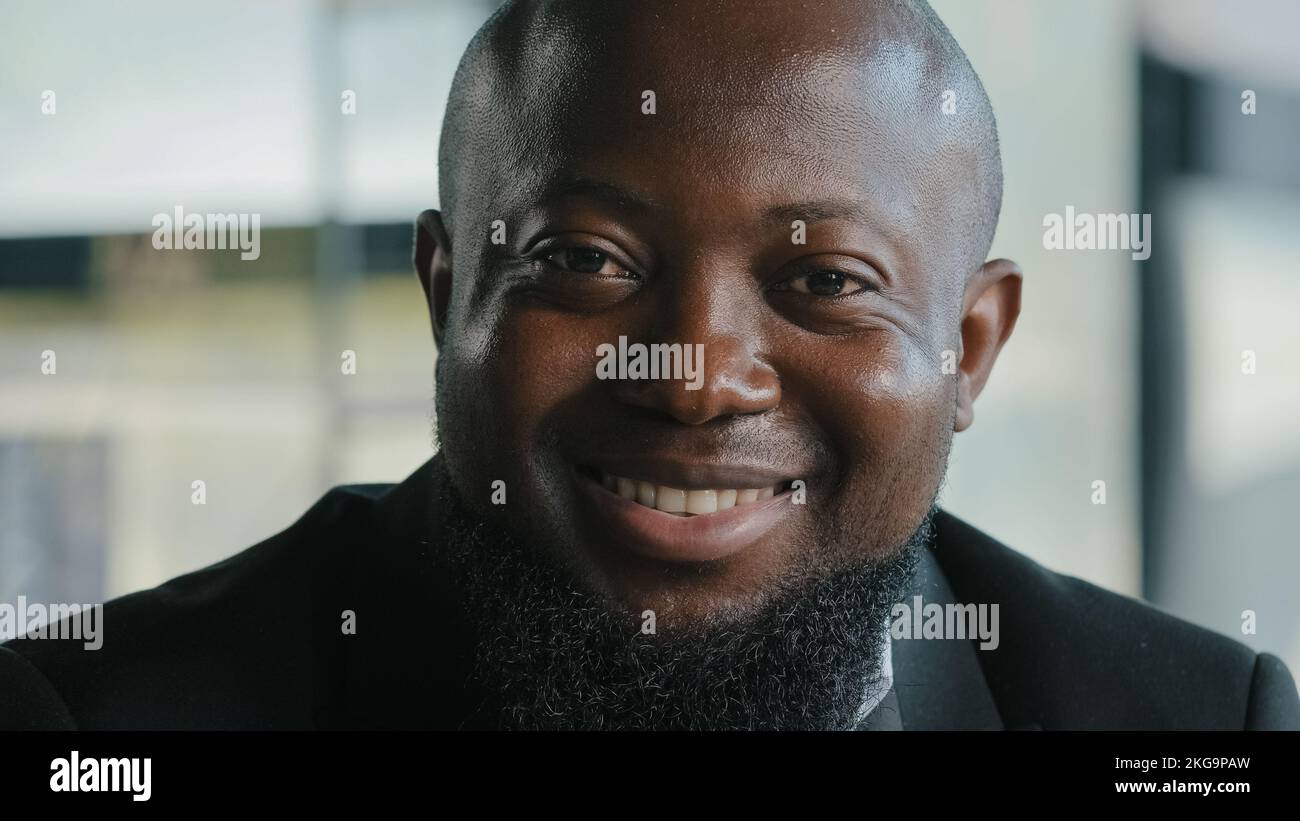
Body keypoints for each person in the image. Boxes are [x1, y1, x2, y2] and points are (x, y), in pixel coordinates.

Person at [3, 0, 1296, 730]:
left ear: (969, 348)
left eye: (826, 282)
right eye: (590, 259)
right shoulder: (99, 724)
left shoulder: (1182, 723)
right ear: (448, 291)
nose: (697, 376)